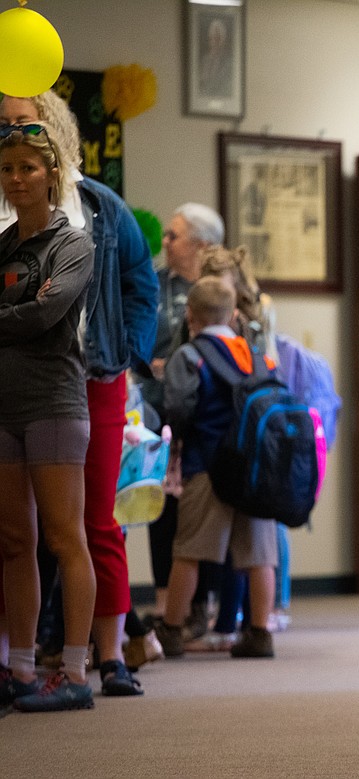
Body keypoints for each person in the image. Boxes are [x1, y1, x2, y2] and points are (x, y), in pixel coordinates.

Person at [0, 90, 159, 699]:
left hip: (88, 376)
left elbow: (137, 287)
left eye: (26, 124)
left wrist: (131, 355)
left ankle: (105, 658)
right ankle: (20, 662)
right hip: (11, 386)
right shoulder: (7, 214)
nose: (13, 136)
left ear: (55, 134)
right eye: (6, 125)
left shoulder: (96, 209)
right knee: (16, 534)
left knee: (92, 523)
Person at [0, 123, 97, 712]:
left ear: (51, 174)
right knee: (14, 541)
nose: (17, 179)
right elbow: (26, 312)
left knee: (65, 538)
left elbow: (45, 314)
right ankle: (21, 669)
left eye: (28, 168)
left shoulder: (73, 243)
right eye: (8, 169)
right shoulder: (5, 244)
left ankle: (77, 673)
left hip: (55, 405)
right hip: (4, 408)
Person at [154, 277, 279, 660]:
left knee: (190, 551)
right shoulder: (256, 355)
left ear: (190, 314)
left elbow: (178, 409)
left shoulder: (189, 356)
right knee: (259, 555)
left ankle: (172, 630)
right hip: (254, 469)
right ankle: (260, 633)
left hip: (207, 465)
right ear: (233, 314)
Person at [137, 202, 223, 634]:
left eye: (174, 236)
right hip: (157, 412)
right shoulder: (153, 286)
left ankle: (204, 605)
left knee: (203, 511)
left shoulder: (220, 289)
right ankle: (166, 602)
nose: (165, 243)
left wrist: (166, 363)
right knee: (162, 509)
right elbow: (142, 350)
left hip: (208, 420)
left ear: (203, 243)